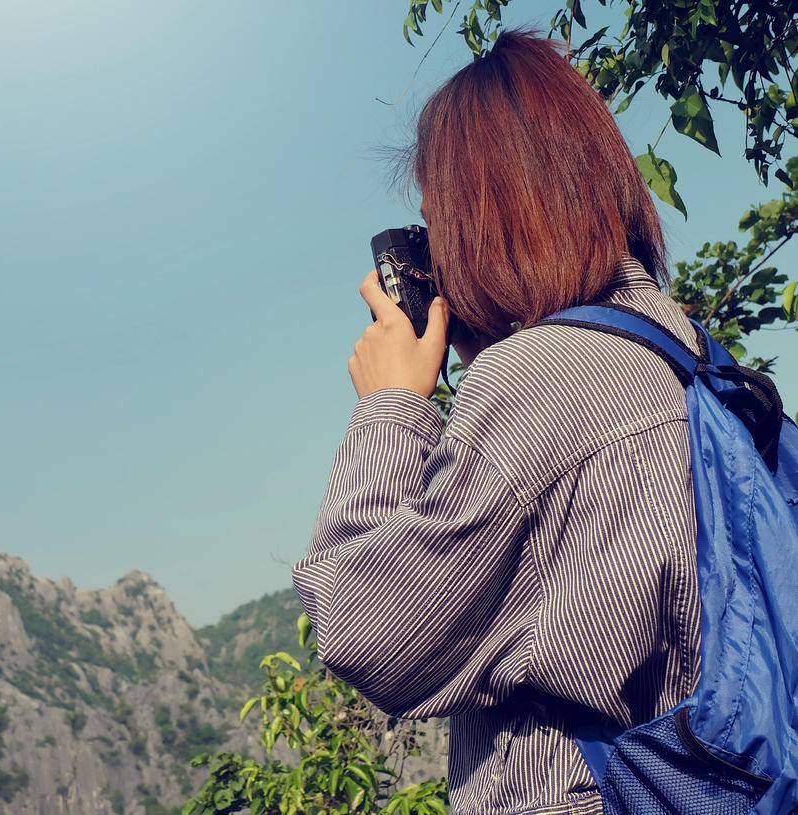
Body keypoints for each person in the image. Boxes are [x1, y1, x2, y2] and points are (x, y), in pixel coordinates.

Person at [291, 29, 702, 815]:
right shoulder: (694, 360)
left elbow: (362, 629)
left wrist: (392, 406)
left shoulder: (544, 379)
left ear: (481, 214)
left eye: (438, 220)